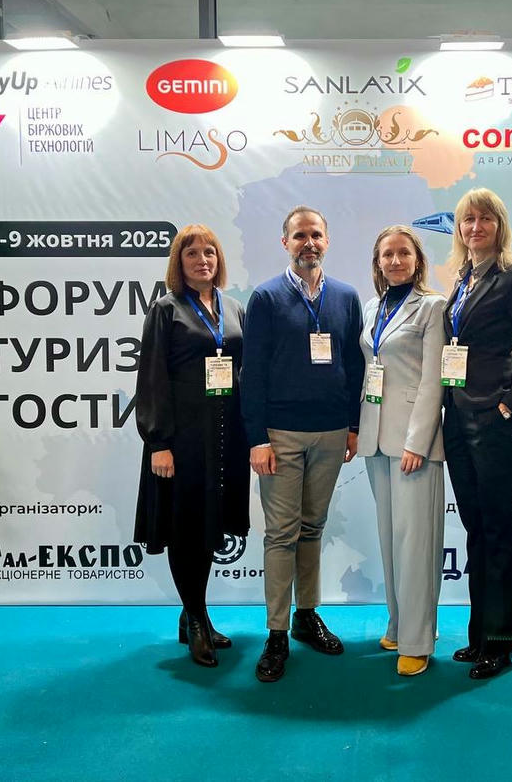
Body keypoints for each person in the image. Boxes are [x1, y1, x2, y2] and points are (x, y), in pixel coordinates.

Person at [240, 205, 365, 683]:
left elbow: (354, 367)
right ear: (285, 243)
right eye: (299, 236)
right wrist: (257, 438)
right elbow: (252, 373)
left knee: (313, 527)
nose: (308, 243)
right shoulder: (266, 298)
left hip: (332, 432)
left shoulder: (346, 297)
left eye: (315, 235)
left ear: (326, 241)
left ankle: (306, 616)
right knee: (281, 533)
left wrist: (353, 425)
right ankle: (276, 633)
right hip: (281, 435)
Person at [442, 188, 512, 680]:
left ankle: (502, 642)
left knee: (497, 531)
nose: (475, 227)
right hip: (455, 420)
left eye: (485, 219)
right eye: (468, 220)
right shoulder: (461, 282)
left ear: (499, 226)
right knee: (475, 530)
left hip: (492, 422)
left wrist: (509, 404)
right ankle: (479, 637)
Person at [134, 224, 250, 668]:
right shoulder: (166, 310)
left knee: (208, 528)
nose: (203, 260)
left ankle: (191, 614)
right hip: (181, 441)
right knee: (185, 530)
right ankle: (198, 619)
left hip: (225, 437)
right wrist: (159, 442)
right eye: (192, 254)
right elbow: (152, 378)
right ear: (178, 263)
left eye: (209, 253)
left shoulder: (233, 308)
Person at [357, 226, 447, 677]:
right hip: (375, 436)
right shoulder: (372, 307)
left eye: (403, 253)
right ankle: (398, 624)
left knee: (416, 544)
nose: (395, 261)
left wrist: (419, 440)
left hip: (414, 443)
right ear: (378, 262)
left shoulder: (433, 306)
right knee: (391, 539)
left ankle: (418, 640)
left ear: (417, 259)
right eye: (387, 254)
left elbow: (433, 380)